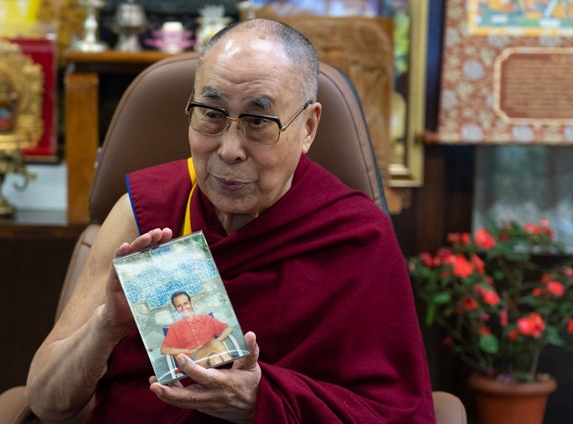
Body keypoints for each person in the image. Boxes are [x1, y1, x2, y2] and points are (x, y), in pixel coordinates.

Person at [26, 18, 435, 423]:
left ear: (308, 127)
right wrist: (105, 328)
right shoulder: (143, 212)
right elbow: (47, 401)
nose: (229, 149)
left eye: (258, 122)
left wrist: (262, 400)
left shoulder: (356, 236)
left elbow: (395, 413)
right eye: (211, 113)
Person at [161, 291, 234, 367]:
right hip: (192, 361)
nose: (183, 308)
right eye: (179, 306)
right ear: (175, 309)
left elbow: (228, 329)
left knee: (215, 359)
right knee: (214, 344)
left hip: (211, 355)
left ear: (191, 303)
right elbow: (164, 349)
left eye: (185, 303)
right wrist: (187, 350)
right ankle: (234, 368)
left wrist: (218, 340)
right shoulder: (175, 327)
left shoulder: (206, 319)